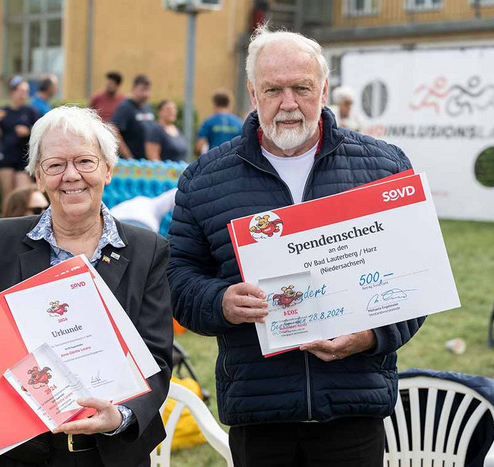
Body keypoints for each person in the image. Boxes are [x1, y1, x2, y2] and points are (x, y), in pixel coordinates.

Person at [167, 25, 424, 467]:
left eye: (302, 88)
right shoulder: (204, 179)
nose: (288, 103)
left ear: (323, 89)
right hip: (259, 410)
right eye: (273, 90)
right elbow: (177, 276)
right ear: (252, 92)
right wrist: (221, 301)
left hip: (353, 406)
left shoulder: (383, 166)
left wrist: (370, 336)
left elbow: (419, 278)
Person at [0, 106, 173, 467]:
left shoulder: (147, 249)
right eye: (55, 165)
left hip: (108, 453)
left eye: (85, 162)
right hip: (17, 451)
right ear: (38, 178)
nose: (71, 176)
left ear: (107, 169)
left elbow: (155, 358)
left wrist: (119, 416)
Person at [0, 76, 40, 207]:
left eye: (26, 91)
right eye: (21, 91)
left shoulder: (30, 112)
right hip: (6, 158)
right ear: (12, 92)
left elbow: (38, 133)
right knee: (7, 197)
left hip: (23, 159)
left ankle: (22, 226)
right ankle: (4, 226)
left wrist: (27, 131)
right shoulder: (2, 112)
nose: (24, 94)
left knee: (23, 196)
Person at [110, 74, 155, 159]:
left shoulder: (148, 107)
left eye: (148, 90)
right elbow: (113, 129)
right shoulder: (125, 106)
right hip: (131, 165)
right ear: (133, 89)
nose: (146, 94)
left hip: (146, 162)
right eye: (142, 90)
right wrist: (128, 157)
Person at [195, 90, 243, 156]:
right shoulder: (239, 123)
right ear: (229, 104)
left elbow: (200, 146)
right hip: (234, 161)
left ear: (214, 104)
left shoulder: (208, 122)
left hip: (214, 161)